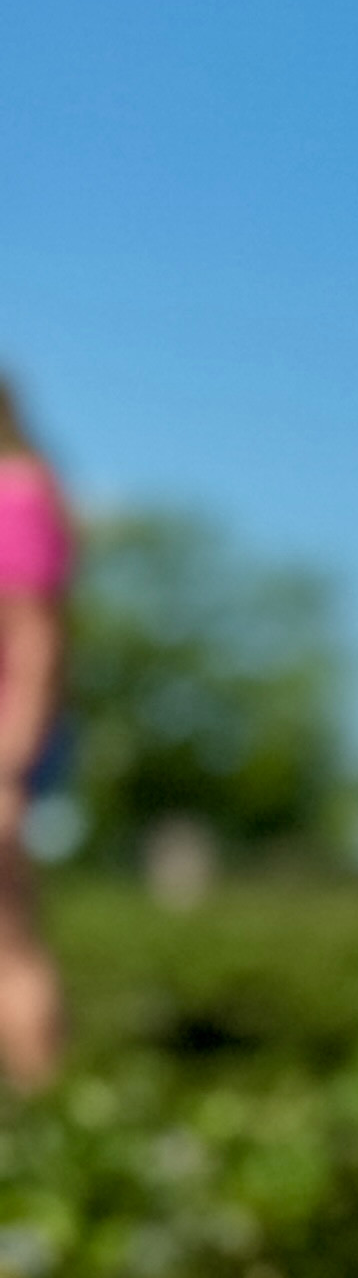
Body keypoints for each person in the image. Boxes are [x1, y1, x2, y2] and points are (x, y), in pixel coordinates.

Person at [0, 370, 71, 1090]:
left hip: (2, 742)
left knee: (7, 934)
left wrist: (12, 758)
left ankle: (45, 1102)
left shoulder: (14, 494)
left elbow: (35, 637)